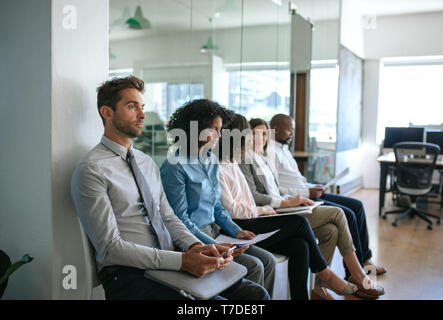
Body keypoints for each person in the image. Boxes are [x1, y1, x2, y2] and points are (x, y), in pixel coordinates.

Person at [70, 76, 269, 300]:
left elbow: (168, 216)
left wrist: (197, 246)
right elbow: (111, 249)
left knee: (255, 295)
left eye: (142, 107)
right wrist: (182, 261)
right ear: (107, 112)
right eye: (131, 106)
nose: (142, 115)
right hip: (129, 275)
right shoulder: (92, 170)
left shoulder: (145, 163)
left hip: (169, 261)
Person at [239, 116, 385, 299]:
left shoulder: (262, 158)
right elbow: (256, 196)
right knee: (340, 214)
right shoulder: (246, 159)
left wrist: (295, 199)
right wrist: (288, 202)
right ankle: (357, 275)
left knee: (331, 230)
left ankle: (319, 286)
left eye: (263, 133)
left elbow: (277, 189)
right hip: (275, 211)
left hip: (286, 203)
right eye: (254, 133)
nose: (260, 138)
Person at [160, 99, 275, 297]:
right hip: (194, 240)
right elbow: (180, 219)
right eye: (215, 130)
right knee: (255, 266)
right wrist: (215, 245)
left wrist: (236, 232)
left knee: (268, 261)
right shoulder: (175, 166)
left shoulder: (210, 159)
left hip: (216, 233)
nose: (220, 135)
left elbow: (216, 205)